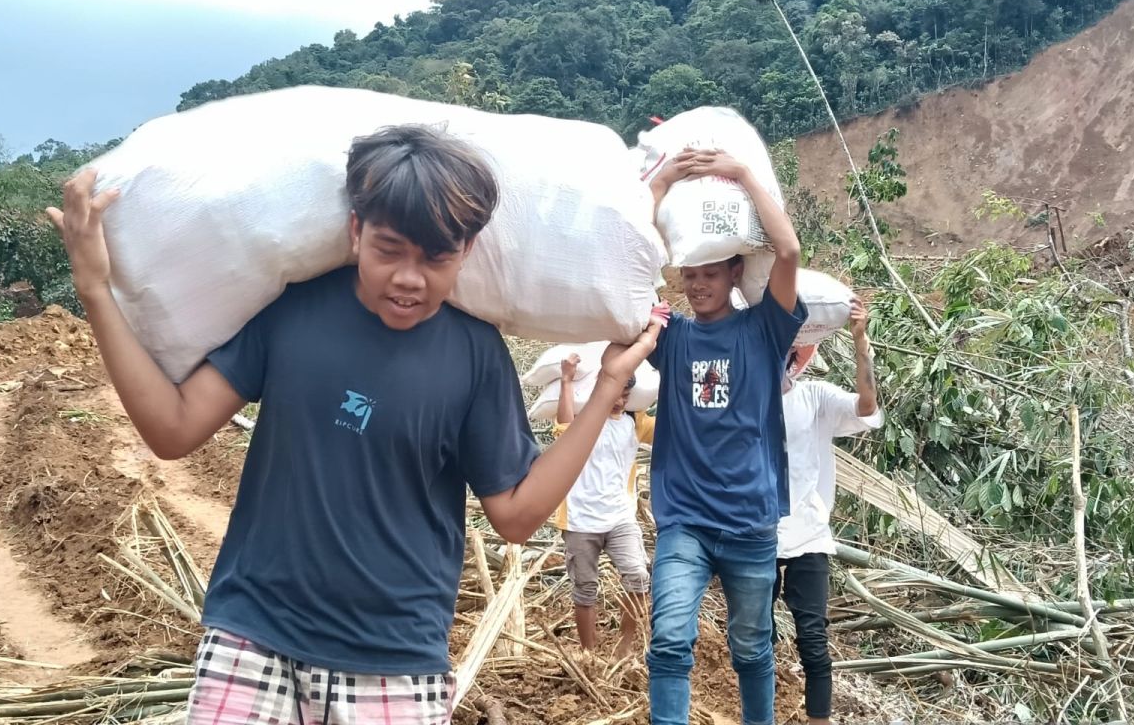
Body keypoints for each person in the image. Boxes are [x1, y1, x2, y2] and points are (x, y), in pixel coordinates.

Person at [47, 125, 662, 725]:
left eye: (436, 257)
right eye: (388, 249)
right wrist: (96, 289)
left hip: (394, 658)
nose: (408, 278)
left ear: (467, 252)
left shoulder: (476, 356)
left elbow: (517, 515)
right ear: (354, 231)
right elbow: (173, 430)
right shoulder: (292, 313)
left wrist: (608, 386)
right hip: (253, 633)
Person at [643, 146, 806, 725]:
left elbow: (787, 250)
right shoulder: (673, 338)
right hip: (684, 519)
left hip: (749, 524)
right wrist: (661, 180)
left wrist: (739, 173)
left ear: (735, 271)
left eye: (709, 273)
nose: (697, 285)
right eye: (690, 275)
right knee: (668, 641)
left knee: (752, 649)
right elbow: (627, 267)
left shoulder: (765, 329)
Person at [775, 299, 882, 725]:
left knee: (814, 641)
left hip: (808, 535)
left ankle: (819, 719)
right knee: (754, 638)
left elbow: (867, 407)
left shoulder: (815, 397)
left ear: (795, 357)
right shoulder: (743, 401)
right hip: (758, 532)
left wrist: (861, 342)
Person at [551, 351, 656, 658]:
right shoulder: (585, 420)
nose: (620, 400)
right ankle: (589, 653)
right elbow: (563, 428)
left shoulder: (634, 422)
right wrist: (567, 380)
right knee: (584, 589)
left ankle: (624, 646)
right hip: (580, 520)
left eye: (626, 393)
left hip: (620, 517)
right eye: (616, 391)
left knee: (637, 576)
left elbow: (670, 431)